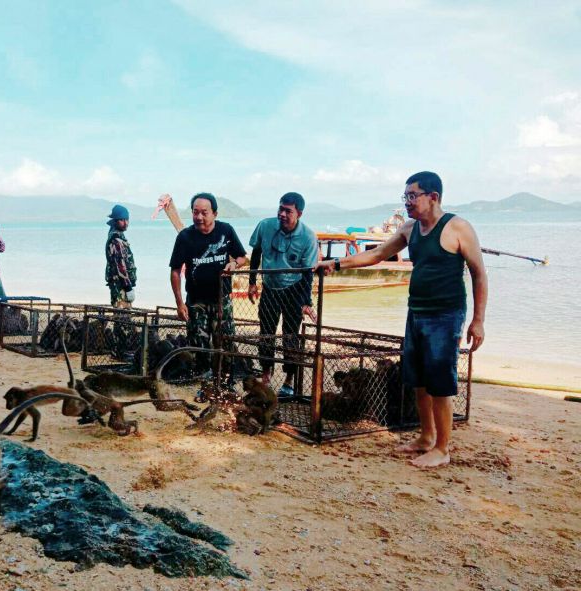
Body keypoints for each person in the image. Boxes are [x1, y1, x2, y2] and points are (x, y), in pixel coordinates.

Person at [319, 171, 487, 468]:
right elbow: (377, 254)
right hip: (416, 312)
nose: (407, 202)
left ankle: (442, 448)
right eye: (405, 196)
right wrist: (336, 263)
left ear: (433, 197)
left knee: (440, 383)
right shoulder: (410, 229)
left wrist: (478, 321)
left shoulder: (458, 228)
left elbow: (479, 274)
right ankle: (425, 437)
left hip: (446, 315)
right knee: (418, 380)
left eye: (412, 196)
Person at [247, 192, 319, 396]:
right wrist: (252, 282)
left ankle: (288, 380)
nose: (282, 214)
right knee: (266, 332)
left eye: (288, 211)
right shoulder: (265, 225)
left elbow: (307, 273)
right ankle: (266, 375)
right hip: (270, 286)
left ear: (299, 213)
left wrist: (306, 302)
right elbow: (256, 252)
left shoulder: (308, 237)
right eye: (280, 209)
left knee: (290, 335)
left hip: (294, 288)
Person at [169, 192, 247, 373]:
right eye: (195, 212)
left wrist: (234, 264)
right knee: (198, 346)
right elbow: (174, 270)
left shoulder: (226, 231)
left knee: (225, 343)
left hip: (222, 300)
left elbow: (242, 257)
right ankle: (203, 381)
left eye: (204, 212)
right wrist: (179, 303)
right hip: (196, 302)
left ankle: (225, 381)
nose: (199, 217)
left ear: (215, 214)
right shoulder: (185, 237)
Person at [104, 205, 137, 308]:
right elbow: (120, 267)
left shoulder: (119, 237)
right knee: (122, 317)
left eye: (126, 220)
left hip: (121, 286)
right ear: (115, 221)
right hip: (120, 287)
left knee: (123, 318)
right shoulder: (116, 240)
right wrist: (128, 288)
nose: (125, 223)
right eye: (122, 220)